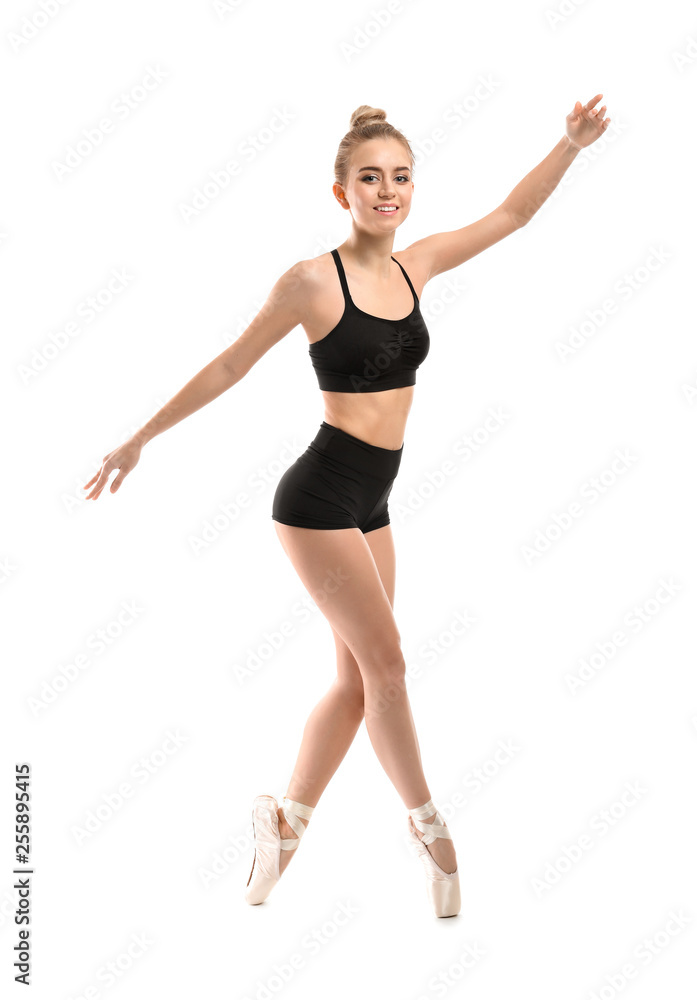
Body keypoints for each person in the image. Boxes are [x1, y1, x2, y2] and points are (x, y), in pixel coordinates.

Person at [83, 97, 611, 918]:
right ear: (342, 192)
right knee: (389, 666)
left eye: (400, 176)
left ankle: (284, 822)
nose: (387, 190)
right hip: (319, 500)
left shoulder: (419, 264)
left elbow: (511, 213)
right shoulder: (307, 283)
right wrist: (140, 437)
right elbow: (229, 366)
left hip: (375, 496)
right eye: (370, 178)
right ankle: (430, 826)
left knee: (359, 682)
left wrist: (567, 147)